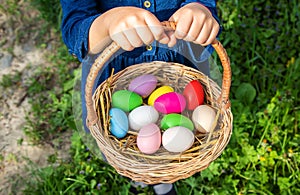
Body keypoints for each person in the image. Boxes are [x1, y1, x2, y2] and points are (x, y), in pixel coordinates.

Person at [60, 1, 221, 194]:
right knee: (117, 139)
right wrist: (109, 23)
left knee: (178, 139)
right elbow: (75, 28)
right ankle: (140, 174)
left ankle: (161, 177)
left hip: (179, 68)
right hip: (113, 73)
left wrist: (199, 9)